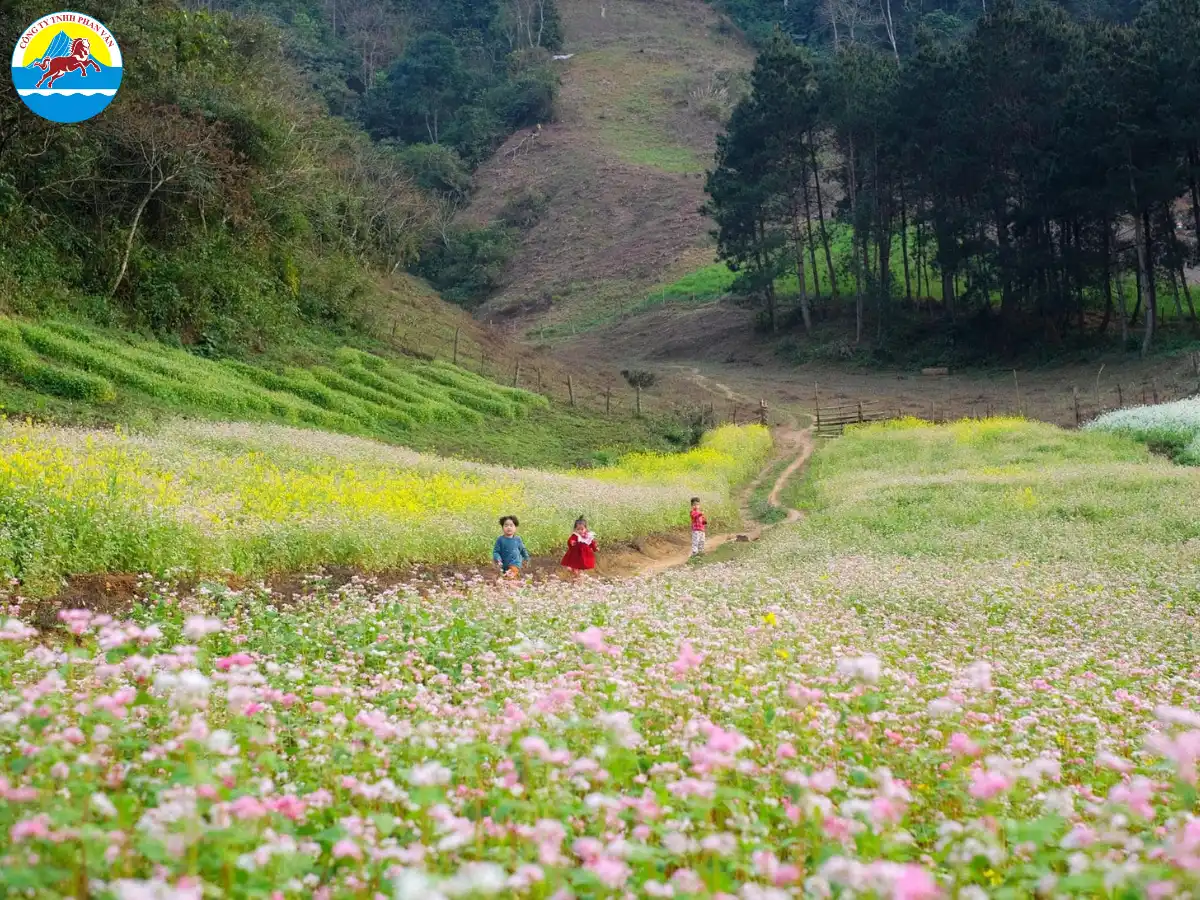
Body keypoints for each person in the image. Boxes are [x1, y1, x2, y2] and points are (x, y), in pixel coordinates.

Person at [493, 515, 531, 579]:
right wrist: (498, 559)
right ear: (502, 527)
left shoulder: (517, 539)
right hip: (503, 565)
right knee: (506, 580)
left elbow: (522, 550)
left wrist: (526, 558)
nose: (509, 527)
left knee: (511, 576)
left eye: (511, 525)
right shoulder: (500, 540)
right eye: (506, 525)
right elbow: (496, 552)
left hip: (515, 563)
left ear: (515, 527)